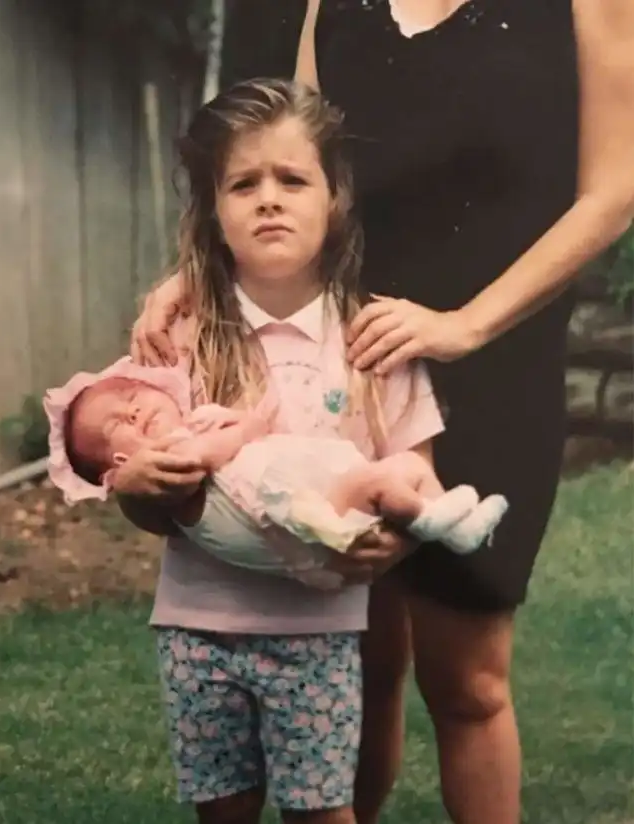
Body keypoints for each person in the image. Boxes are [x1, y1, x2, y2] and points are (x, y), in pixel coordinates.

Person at [129, 3, 634, 823]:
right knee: (357, 664)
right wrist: (203, 273)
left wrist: (465, 325)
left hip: (493, 368)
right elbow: (294, 156)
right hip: (347, 363)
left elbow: (612, 193)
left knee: (468, 681)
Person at [103, 77, 451, 824]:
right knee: (224, 813)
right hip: (197, 628)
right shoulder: (177, 341)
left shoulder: (373, 340)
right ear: (213, 209)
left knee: (322, 815)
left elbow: (418, 475)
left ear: (336, 199)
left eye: (292, 180)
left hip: (319, 634)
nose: (269, 199)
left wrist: (395, 540)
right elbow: (148, 505)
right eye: (243, 184)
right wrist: (134, 485)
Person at [43, 359, 509, 585]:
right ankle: (426, 521)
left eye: (132, 397)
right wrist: (239, 430)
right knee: (377, 483)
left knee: (406, 466)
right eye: (116, 427)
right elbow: (210, 455)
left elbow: (249, 428)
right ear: (121, 466)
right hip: (311, 525)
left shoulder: (200, 419)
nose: (132, 412)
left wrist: (238, 424)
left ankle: (456, 529)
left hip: (316, 505)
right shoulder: (172, 463)